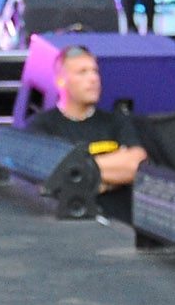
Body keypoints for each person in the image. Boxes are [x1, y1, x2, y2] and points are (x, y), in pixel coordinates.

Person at [21, 46, 147, 203]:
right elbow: (42, 172)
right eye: (82, 72)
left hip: (116, 220)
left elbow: (136, 166)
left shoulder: (116, 121)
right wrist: (108, 177)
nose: (93, 79)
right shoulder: (42, 124)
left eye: (95, 71)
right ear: (60, 81)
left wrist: (74, 171)